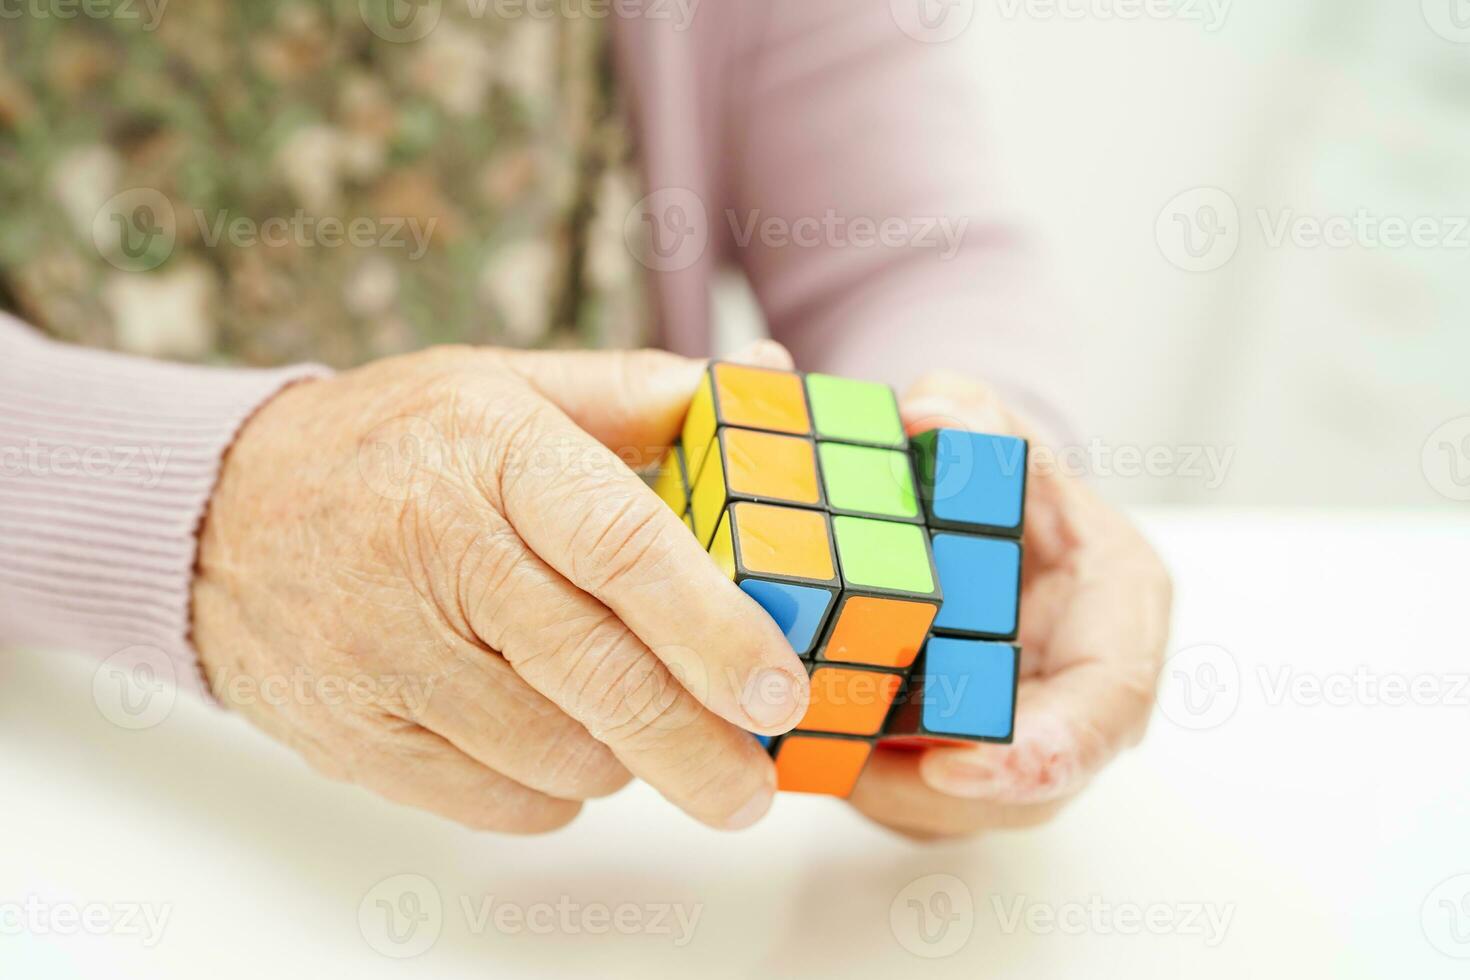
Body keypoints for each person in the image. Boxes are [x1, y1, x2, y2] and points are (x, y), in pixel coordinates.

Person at [0, 0, 1170, 838]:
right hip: (70, 776)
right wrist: (216, 509)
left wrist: (975, 484)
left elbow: (908, 255)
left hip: (621, 853)